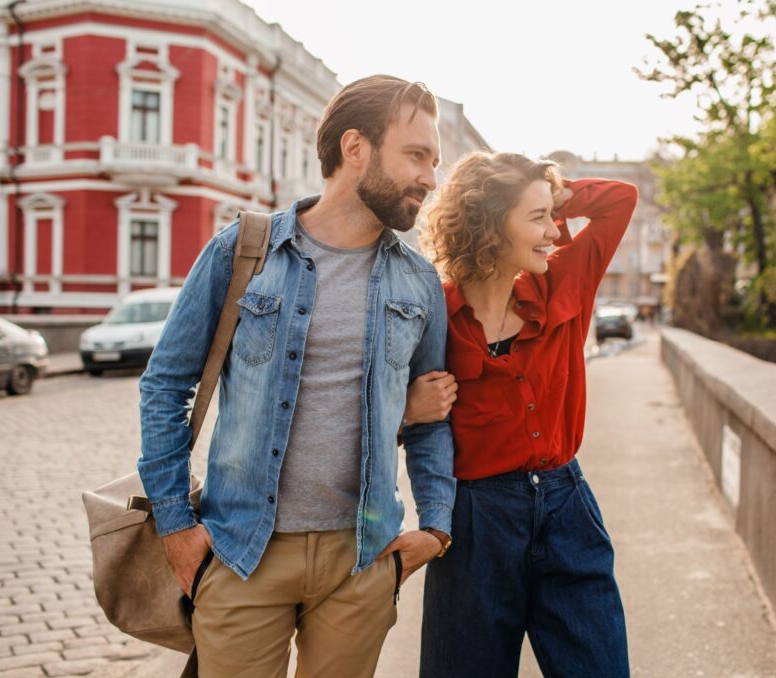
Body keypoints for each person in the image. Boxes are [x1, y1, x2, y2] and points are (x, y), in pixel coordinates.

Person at [137, 75, 456, 678]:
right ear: (355, 149)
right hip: (243, 552)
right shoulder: (242, 252)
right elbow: (165, 387)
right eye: (417, 155)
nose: (430, 179)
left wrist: (435, 528)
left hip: (361, 559)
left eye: (435, 161)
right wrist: (177, 527)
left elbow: (433, 418)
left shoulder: (419, 283)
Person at [409, 151, 638, 677]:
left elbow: (621, 200)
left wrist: (555, 190)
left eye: (551, 217)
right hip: (474, 524)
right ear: (489, 225)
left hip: (566, 507)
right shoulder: (432, 315)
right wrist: (407, 410)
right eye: (537, 219)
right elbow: (376, 411)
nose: (555, 232)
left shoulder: (564, 281)